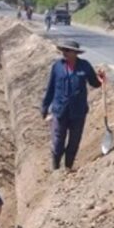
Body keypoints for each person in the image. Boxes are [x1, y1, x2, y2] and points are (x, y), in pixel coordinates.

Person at [41, 39, 106, 171]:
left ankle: (68, 167)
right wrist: (44, 107)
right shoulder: (57, 66)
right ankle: (56, 167)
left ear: (75, 53)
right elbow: (51, 88)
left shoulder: (85, 66)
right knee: (58, 141)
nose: (64, 53)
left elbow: (94, 83)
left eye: (67, 50)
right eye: (63, 50)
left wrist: (101, 78)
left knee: (74, 142)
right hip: (60, 110)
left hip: (78, 111)